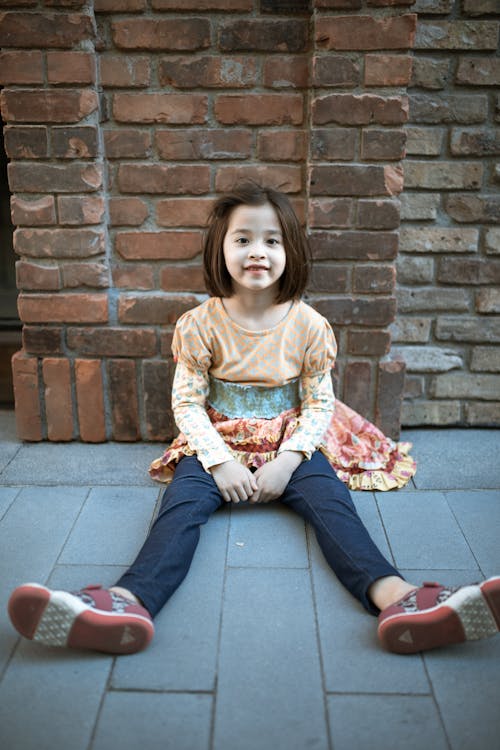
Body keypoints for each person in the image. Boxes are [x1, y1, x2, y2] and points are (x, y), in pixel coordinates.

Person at [8, 184, 500, 657]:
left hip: (291, 438)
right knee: (179, 510)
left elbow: (319, 405)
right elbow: (186, 404)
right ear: (220, 250)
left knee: (334, 508)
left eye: (271, 240)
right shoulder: (200, 324)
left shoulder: (308, 325)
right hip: (216, 439)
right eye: (242, 239)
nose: (257, 251)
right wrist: (219, 463)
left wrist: (287, 463)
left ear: (291, 251)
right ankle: (127, 605)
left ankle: (400, 599)